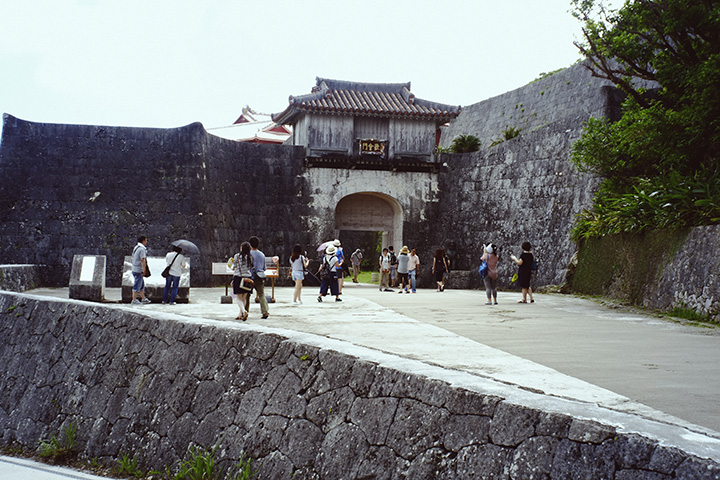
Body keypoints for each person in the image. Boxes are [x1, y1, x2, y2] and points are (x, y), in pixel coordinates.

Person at [247, 236, 270, 319]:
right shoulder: (262, 254)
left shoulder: (248, 254)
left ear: (250, 244)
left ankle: (245, 311)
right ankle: (265, 311)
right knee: (261, 295)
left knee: (247, 295)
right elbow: (264, 268)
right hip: (259, 277)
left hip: (249, 277)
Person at [231, 241, 254, 320]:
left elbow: (234, 266)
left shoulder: (237, 256)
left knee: (238, 297)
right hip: (248, 278)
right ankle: (240, 314)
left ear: (241, 248)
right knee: (244, 297)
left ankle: (244, 311)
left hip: (238, 277)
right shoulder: (250, 257)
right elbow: (250, 267)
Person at [131, 236, 151, 305]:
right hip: (138, 270)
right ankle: (134, 299)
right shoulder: (142, 249)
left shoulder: (136, 247)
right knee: (137, 284)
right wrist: (144, 270)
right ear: (143, 241)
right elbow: (142, 260)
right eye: (146, 240)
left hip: (134, 268)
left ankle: (143, 298)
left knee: (141, 285)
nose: (146, 242)